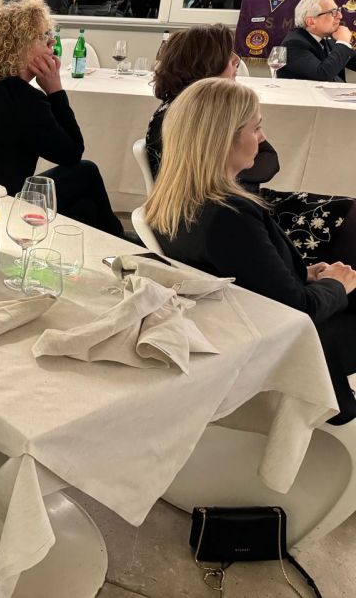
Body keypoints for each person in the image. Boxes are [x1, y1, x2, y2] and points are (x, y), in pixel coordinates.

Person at [144, 78, 356, 424]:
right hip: (279, 342)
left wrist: (304, 273)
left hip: (243, 319)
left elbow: (244, 271)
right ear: (224, 140)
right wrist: (336, 285)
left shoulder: (173, 200)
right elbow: (298, 308)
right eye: (256, 128)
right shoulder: (229, 214)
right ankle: (333, 403)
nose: (262, 137)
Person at [147, 25, 356, 265]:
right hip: (223, 216)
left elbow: (270, 162)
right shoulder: (192, 116)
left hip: (243, 202)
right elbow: (246, 171)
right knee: (347, 221)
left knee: (348, 211)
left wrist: (245, 161)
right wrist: (247, 163)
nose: (236, 59)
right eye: (228, 54)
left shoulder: (212, 108)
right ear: (205, 62)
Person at [0, 0, 124, 237]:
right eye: (41, 36)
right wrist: (55, 91)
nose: (51, 41)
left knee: (86, 209)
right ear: (18, 47)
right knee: (86, 172)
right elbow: (72, 153)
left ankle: (111, 237)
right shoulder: (23, 99)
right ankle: (120, 240)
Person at [279, 0, 356, 83]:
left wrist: (344, 43)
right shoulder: (293, 44)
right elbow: (322, 75)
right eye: (333, 12)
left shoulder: (327, 39)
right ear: (311, 22)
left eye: (338, 10)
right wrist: (343, 43)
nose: (340, 16)